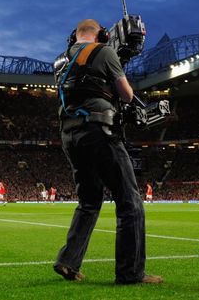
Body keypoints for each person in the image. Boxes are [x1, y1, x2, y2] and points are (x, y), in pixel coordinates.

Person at [52, 19, 162, 285]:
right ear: (100, 34)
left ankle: (68, 261)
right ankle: (130, 273)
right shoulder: (105, 52)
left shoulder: (60, 61)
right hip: (99, 131)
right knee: (129, 202)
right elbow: (126, 95)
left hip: (70, 135)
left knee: (88, 201)